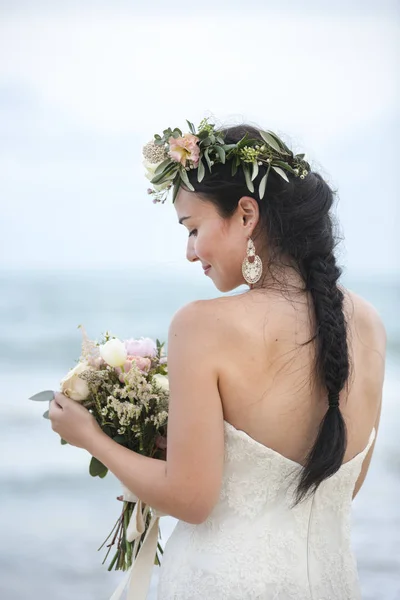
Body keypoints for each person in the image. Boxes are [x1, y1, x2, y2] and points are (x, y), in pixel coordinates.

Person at [50, 120, 386, 599]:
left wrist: (91, 438)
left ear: (247, 214)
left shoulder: (202, 326)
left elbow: (190, 500)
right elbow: (338, 489)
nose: (190, 253)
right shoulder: (370, 323)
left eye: (193, 229)